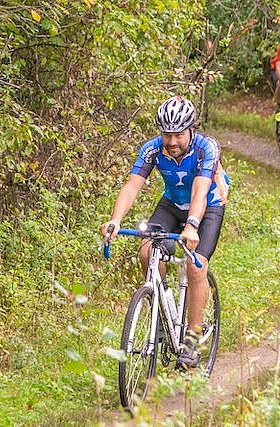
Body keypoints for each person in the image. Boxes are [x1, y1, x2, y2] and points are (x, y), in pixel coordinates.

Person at [100, 96, 229, 371]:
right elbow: (132, 186)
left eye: (178, 134)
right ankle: (160, 309)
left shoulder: (206, 148)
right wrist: (114, 220)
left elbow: (200, 190)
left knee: (196, 268)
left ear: (190, 130)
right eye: (166, 134)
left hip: (207, 205)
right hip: (171, 204)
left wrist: (192, 225)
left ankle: (192, 339)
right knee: (148, 250)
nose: (172, 141)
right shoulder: (152, 150)